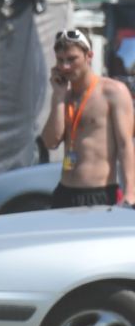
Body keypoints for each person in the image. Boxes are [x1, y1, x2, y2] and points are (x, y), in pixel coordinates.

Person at [41, 29, 134, 207]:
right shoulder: (64, 96)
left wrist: (131, 192)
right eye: (61, 60)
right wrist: (58, 97)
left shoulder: (113, 92)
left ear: (89, 56)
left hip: (99, 194)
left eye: (72, 59)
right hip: (65, 191)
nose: (65, 66)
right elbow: (50, 142)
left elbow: (125, 145)